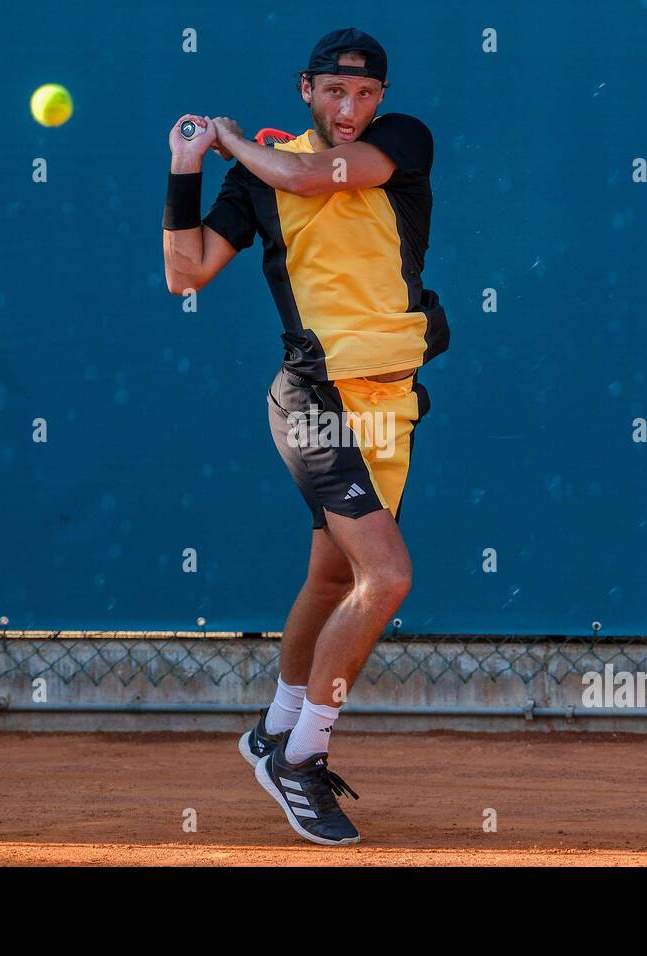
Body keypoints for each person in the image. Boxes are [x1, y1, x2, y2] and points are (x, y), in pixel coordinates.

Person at [160, 26, 449, 846]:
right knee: (386, 576)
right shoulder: (258, 179)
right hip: (314, 398)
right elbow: (186, 271)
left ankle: (271, 731)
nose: (349, 107)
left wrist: (229, 142)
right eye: (332, 91)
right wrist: (187, 169)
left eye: (362, 94)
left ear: (381, 99)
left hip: (390, 402)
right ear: (305, 89)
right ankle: (300, 756)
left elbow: (300, 173)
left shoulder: (402, 143)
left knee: (333, 578)